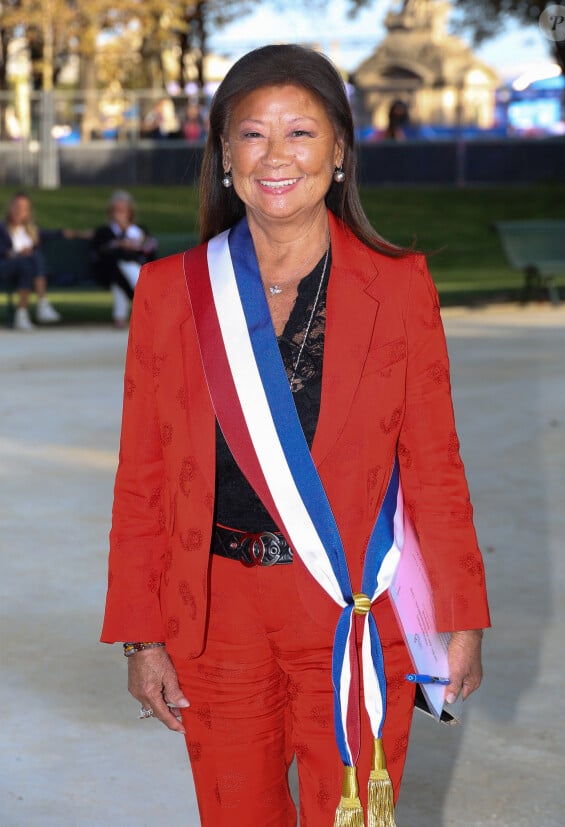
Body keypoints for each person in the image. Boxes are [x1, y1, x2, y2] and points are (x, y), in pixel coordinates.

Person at [101, 45, 490, 827]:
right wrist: (140, 634)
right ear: (222, 155)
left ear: (340, 150)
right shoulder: (172, 293)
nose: (276, 156)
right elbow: (143, 476)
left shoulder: (400, 285)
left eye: (301, 133)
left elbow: (435, 467)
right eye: (252, 135)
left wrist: (461, 615)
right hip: (216, 619)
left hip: (354, 612)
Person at [90, 191, 157, 328]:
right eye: (114, 210)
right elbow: (101, 251)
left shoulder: (139, 230)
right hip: (110, 271)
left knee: (122, 276)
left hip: (135, 269)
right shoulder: (103, 231)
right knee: (121, 266)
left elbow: (150, 248)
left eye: (121, 210)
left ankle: (120, 318)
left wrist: (129, 233)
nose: (117, 214)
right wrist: (120, 244)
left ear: (129, 212)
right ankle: (144, 302)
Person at [0, 192, 66, 330]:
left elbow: (56, 233)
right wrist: (15, 253)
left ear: (28, 212)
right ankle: (41, 305)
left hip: (25, 270)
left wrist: (83, 234)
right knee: (32, 257)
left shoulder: (31, 231)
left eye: (24, 208)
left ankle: (23, 314)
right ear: (10, 208)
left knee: (30, 261)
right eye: (17, 206)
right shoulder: (2, 228)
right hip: (5, 267)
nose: (19, 211)